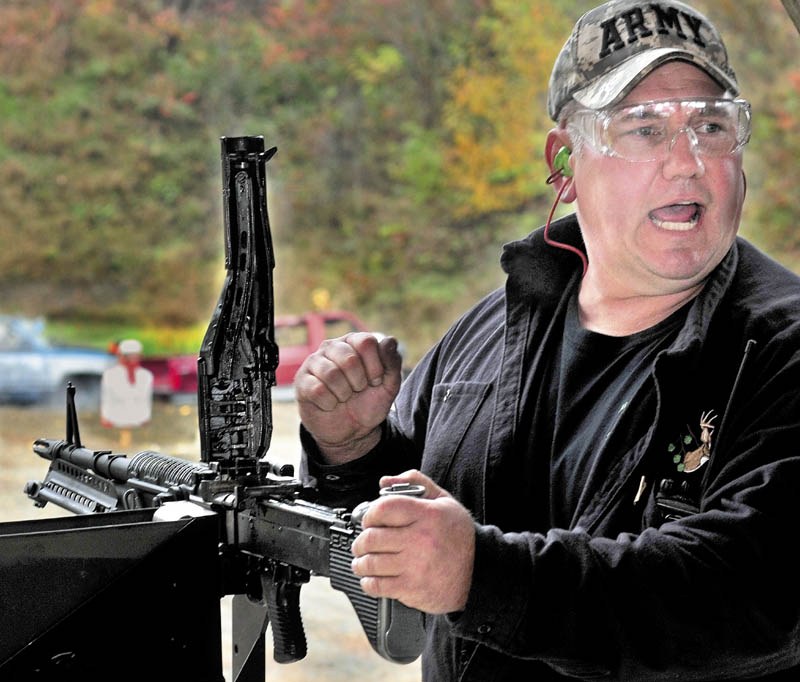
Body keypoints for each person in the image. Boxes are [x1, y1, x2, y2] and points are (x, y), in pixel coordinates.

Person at [294, 1, 800, 680]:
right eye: (644, 129)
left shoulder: (779, 346)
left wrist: (485, 576)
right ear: (566, 158)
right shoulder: (489, 330)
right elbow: (390, 539)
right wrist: (349, 449)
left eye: (711, 126)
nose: (689, 162)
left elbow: (753, 591)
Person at [101, 338, 154, 447]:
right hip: (117, 416)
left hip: (137, 417)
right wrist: (106, 417)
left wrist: (145, 417)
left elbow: (146, 399)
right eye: (129, 356)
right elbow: (107, 398)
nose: (133, 360)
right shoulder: (111, 375)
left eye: (135, 356)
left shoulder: (145, 376)